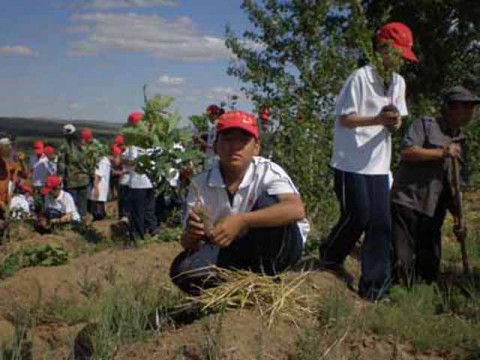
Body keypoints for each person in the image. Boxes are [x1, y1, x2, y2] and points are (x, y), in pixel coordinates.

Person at [319, 22, 418, 301]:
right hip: (349, 160)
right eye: (394, 53)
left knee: (381, 224)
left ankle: (375, 288)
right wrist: (377, 119)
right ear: (380, 50)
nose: (398, 61)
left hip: (377, 163)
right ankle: (331, 253)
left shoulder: (398, 82)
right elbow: (345, 119)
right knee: (358, 215)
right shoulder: (360, 78)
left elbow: (397, 122)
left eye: (402, 56)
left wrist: (394, 121)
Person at [170, 110, 309, 295]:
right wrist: (191, 234)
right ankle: (232, 289)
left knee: (269, 203)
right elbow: (188, 243)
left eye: (243, 140)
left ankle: (267, 278)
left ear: (256, 147)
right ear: (215, 146)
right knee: (183, 269)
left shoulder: (268, 171)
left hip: (281, 248)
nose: (235, 146)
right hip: (236, 249)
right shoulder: (200, 183)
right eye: (227, 139)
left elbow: (296, 209)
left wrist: (242, 220)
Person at [391, 86, 480, 287]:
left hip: (434, 208)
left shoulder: (461, 143)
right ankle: (397, 297)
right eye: (464, 107)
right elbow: (407, 152)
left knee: (429, 266)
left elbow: (454, 187)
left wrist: (459, 217)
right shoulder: (426, 125)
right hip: (408, 200)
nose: (469, 112)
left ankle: (423, 297)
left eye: (471, 107)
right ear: (449, 108)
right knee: (401, 261)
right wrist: (442, 153)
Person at [123, 112, 157, 240]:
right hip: (151, 181)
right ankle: (151, 232)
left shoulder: (134, 144)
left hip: (138, 183)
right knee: (149, 210)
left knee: (138, 212)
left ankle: (138, 237)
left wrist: (124, 160)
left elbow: (131, 161)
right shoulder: (152, 141)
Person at [57, 124, 90, 218]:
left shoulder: (65, 146)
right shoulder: (84, 145)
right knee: (82, 204)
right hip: (84, 179)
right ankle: (82, 222)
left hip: (71, 179)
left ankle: (75, 222)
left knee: (72, 204)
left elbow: (61, 164)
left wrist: (60, 176)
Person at [87, 154, 111, 221]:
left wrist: (96, 187)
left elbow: (98, 175)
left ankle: (98, 215)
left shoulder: (103, 161)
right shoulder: (103, 161)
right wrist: (96, 187)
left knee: (98, 202)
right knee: (98, 202)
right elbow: (97, 175)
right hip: (99, 185)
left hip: (100, 185)